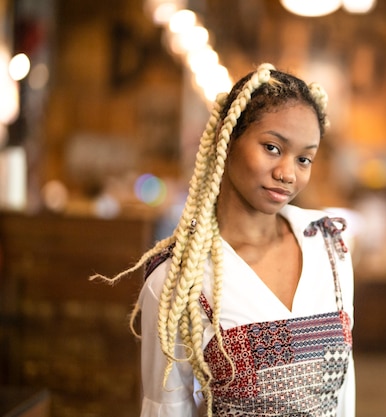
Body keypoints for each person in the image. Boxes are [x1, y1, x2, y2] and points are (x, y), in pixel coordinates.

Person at [92, 63, 355, 417]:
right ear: (225, 138)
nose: (288, 174)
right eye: (273, 148)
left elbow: (342, 396)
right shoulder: (180, 280)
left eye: (304, 158)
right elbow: (166, 409)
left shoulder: (329, 247)